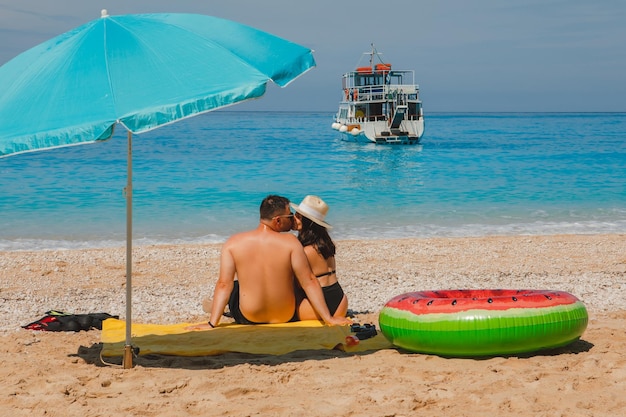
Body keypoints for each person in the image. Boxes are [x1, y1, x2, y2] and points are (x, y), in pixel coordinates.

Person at [190, 195, 351, 330]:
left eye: (295, 216)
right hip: (292, 313)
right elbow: (309, 281)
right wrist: (329, 318)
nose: (293, 219)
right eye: (291, 216)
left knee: (237, 286)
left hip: (250, 316)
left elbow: (224, 284)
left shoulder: (232, 243)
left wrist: (212, 324)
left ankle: (216, 310)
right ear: (278, 221)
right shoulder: (293, 243)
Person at [291, 195, 349, 320]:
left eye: (298, 216)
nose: (294, 218)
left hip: (316, 302)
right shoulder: (326, 246)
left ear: (308, 222)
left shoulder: (305, 251)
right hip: (340, 300)